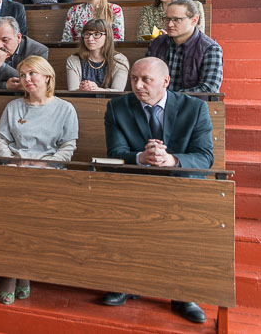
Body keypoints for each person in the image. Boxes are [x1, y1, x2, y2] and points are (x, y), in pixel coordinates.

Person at [100, 56, 213, 324]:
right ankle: (125, 283)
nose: (138, 86)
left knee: (183, 219)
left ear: (165, 81)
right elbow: (115, 153)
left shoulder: (195, 108)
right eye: (134, 79)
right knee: (117, 206)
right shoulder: (117, 107)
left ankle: (183, 293)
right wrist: (142, 157)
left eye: (146, 80)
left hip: (179, 183)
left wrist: (171, 160)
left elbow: (204, 156)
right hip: (136, 181)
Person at [0, 55, 78, 305]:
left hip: (48, 173)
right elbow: (2, 140)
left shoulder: (64, 109)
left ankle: (20, 272)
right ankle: (14, 273)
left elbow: (68, 146)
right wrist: (11, 162)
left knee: (30, 218)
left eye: (32, 74)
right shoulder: (14, 107)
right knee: (9, 217)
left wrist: (44, 164)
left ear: (47, 77)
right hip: (15, 170)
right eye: (22, 75)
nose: (26, 79)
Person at [146, 0, 223, 93]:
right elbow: (146, 78)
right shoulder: (157, 44)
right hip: (158, 104)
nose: (170, 24)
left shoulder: (210, 49)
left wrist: (169, 99)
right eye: (167, 19)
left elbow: (208, 89)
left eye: (177, 20)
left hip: (193, 105)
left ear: (194, 20)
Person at [0, 17, 49, 90]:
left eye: (5, 40)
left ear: (18, 37)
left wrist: (2, 66)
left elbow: (32, 81)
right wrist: (4, 85)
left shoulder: (38, 51)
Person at [66, 19, 130, 91]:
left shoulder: (120, 60)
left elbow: (118, 91)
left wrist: (96, 89)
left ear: (107, 37)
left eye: (96, 34)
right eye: (87, 34)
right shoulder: (74, 60)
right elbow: (72, 91)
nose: (90, 39)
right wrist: (81, 89)